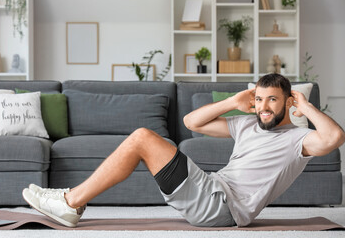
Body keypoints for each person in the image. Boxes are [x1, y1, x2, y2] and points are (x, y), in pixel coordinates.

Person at [22, 74, 345, 228]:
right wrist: (235, 102)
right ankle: (71, 203)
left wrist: (305, 105)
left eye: (272, 100)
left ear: (288, 102)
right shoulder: (246, 125)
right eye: (259, 100)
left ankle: (69, 202)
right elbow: (193, 122)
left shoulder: (297, 139)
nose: (263, 107)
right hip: (212, 190)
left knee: (141, 138)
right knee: (142, 140)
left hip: (222, 206)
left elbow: (333, 138)